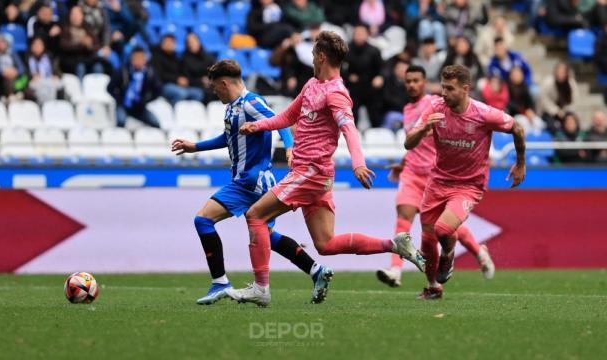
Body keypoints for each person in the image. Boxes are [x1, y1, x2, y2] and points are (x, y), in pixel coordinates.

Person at [229, 31, 426, 307]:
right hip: (314, 175)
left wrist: (358, 164)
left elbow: (350, 130)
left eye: (313, 55)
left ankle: (261, 289)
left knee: (255, 216)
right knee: (326, 244)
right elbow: (288, 116)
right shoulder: (312, 85)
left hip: (310, 172)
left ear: (321, 57)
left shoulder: (336, 94)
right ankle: (394, 245)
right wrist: (258, 125)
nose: (311, 60)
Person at [171, 60, 333, 305]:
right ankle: (315, 270)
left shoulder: (251, 102)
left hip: (250, 181)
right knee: (268, 234)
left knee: (203, 220)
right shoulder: (232, 108)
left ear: (225, 83)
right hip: (251, 181)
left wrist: (290, 148)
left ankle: (220, 281)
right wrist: (196, 147)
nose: (214, 92)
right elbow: (229, 138)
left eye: (215, 87)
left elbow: (282, 122)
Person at [404, 64, 526, 299]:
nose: (444, 93)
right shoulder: (435, 107)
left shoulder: (483, 114)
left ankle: (448, 255)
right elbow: (408, 143)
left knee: (443, 229)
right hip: (438, 181)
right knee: (427, 240)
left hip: (468, 186)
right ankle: (433, 288)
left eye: (450, 88)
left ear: (465, 89)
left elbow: (518, 128)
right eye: (442, 87)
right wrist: (425, 128)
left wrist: (520, 162)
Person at [376, 65, 495, 288]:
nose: (411, 85)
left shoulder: (437, 104)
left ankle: (479, 252)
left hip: (436, 176)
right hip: (411, 174)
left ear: (424, 82)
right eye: (408, 81)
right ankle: (396, 270)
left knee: (445, 228)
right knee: (403, 219)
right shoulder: (407, 109)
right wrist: (402, 165)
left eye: (416, 81)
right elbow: (414, 144)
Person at [107, 46, 160, 128]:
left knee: (156, 123)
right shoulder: (122, 70)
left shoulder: (150, 73)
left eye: (141, 58)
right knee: (121, 121)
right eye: (136, 58)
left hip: (140, 107)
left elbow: (158, 90)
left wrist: (146, 100)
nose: (138, 60)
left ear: (145, 59)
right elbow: (109, 88)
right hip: (124, 105)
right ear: (132, 59)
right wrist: (119, 99)